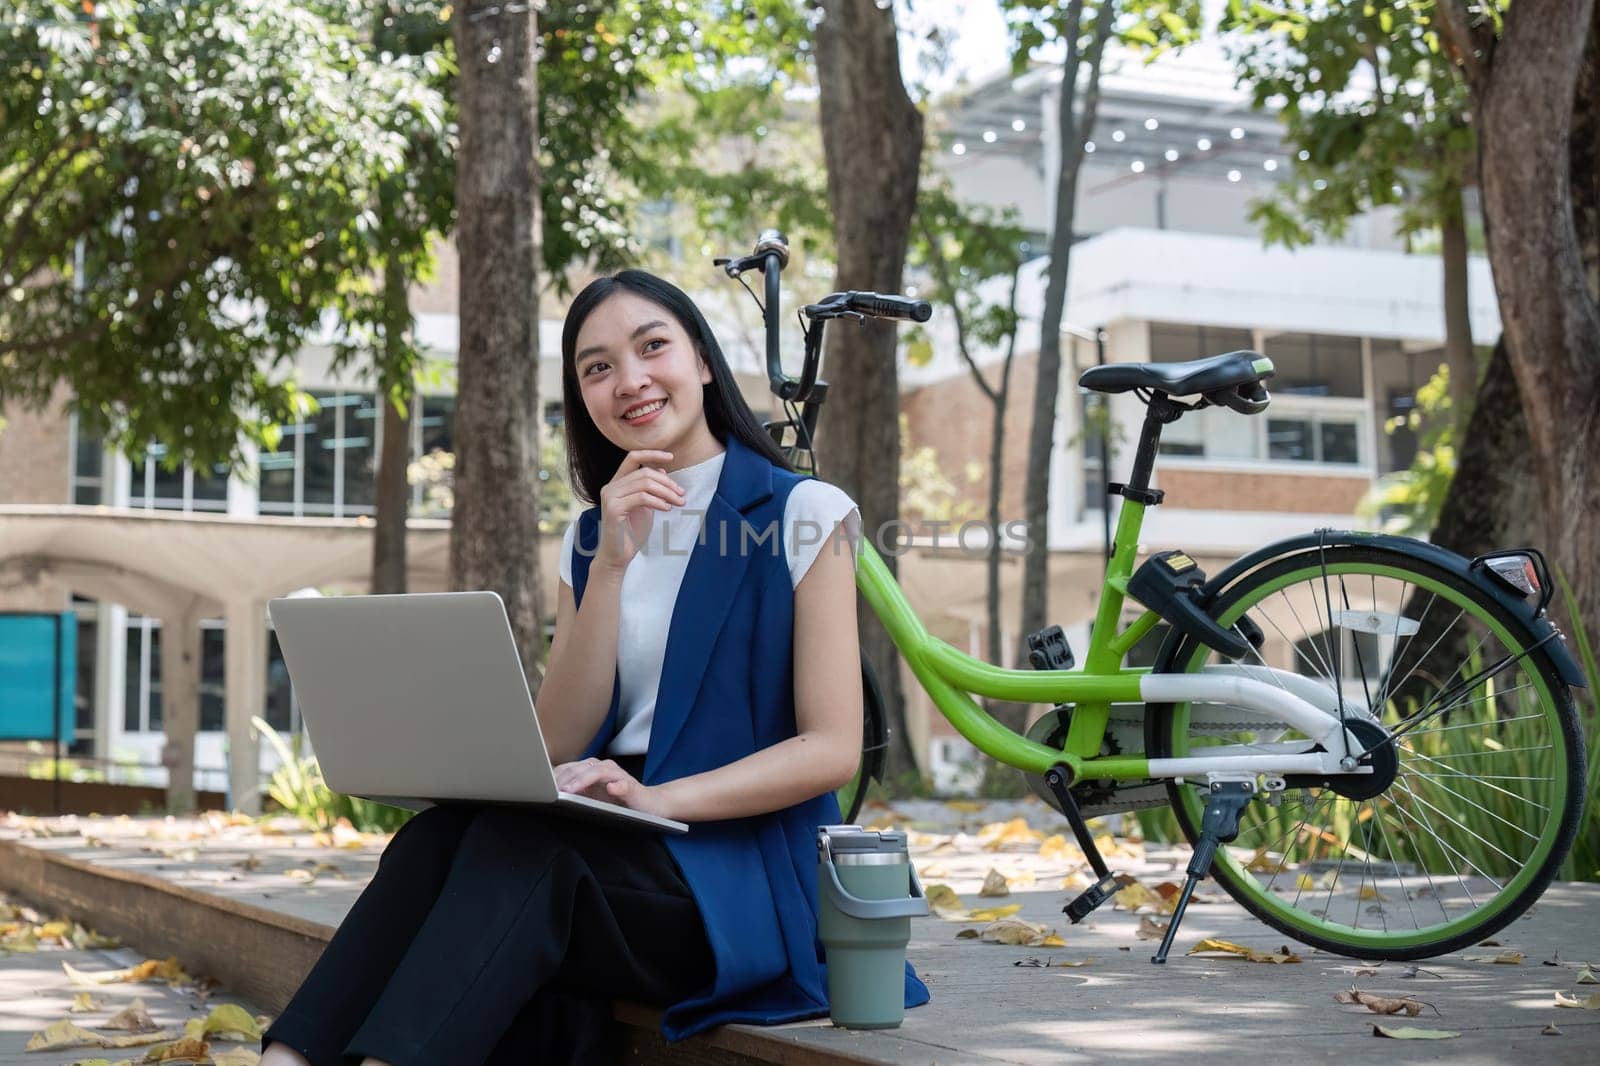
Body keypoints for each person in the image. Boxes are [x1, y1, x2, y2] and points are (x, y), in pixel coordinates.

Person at [259, 269, 930, 1066]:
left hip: (735, 875)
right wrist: (609, 566)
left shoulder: (804, 513)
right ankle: (284, 1059)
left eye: (653, 348)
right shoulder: (591, 537)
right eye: (598, 367)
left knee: (530, 860)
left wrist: (655, 796)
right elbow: (558, 739)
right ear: (583, 396)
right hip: (607, 836)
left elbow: (830, 750)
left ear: (704, 362)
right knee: (434, 841)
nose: (631, 381)